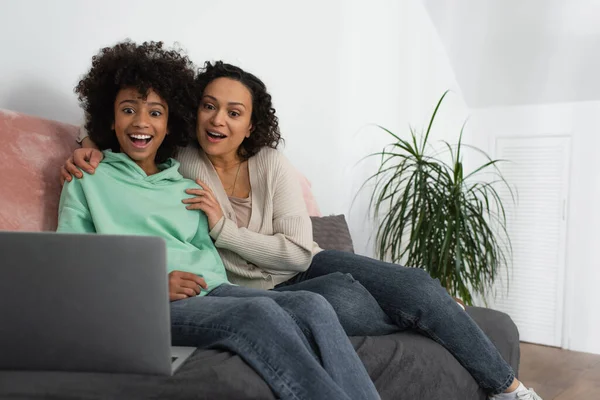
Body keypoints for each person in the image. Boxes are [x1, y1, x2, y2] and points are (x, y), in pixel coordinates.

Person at [63, 60, 542, 400]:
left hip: (293, 265)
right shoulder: (164, 164)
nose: (219, 119)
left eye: (234, 112)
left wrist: (222, 234)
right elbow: (133, 129)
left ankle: (503, 381)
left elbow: (292, 253)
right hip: (216, 290)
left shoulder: (234, 168)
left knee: (401, 287)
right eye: (210, 107)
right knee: (316, 308)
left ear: (251, 124)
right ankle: (431, 313)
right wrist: (89, 144)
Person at [57, 41, 381, 400]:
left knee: (312, 304)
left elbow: (209, 259)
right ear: (110, 118)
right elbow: (71, 268)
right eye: (128, 109)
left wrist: (232, 291)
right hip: (155, 302)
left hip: (216, 292)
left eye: (155, 112)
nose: (141, 123)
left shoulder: (184, 185)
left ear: (170, 123)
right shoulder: (88, 178)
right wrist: (147, 287)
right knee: (258, 315)